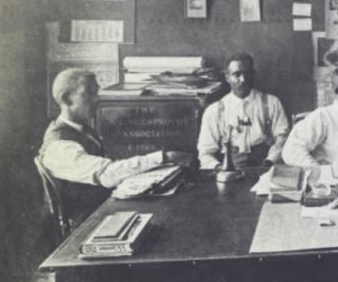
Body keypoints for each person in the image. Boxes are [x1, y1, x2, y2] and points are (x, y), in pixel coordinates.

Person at [39, 69, 193, 229]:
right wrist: (162, 157)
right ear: (66, 98)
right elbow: (106, 175)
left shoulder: (82, 129)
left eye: (96, 92)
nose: (97, 99)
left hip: (101, 214)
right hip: (84, 226)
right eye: (89, 93)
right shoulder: (59, 146)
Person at [197, 53, 289, 171]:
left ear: (253, 74)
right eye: (237, 74)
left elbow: (283, 140)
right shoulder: (214, 111)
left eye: (247, 74)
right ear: (227, 77)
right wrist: (221, 168)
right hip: (229, 170)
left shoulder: (271, 103)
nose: (243, 79)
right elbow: (205, 152)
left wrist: (269, 162)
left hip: (264, 167)